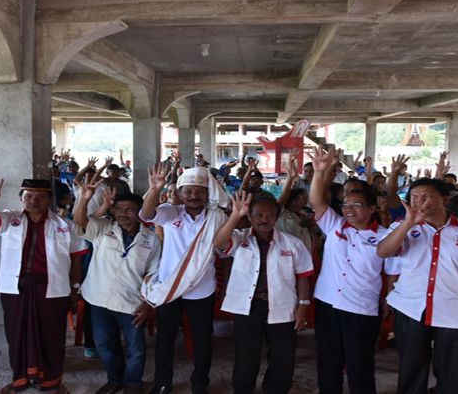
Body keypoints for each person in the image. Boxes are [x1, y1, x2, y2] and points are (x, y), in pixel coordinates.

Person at [377, 178, 458, 394]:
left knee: (453, 375)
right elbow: (383, 252)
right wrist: (408, 223)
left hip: (457, 312)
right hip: (410, 308)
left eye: (427, 196)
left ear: (445, 200)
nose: (420, 202)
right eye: (414, 197)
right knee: (411, 371)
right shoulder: (401, 227)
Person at [0, 177, 87, 393]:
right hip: (16, 288)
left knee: (51, 335)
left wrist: (75, 287)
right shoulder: (10, 219)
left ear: (49, 200)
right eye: (28, 196)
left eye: (40, 197)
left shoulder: (65, 225)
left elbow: (76, 259)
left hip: (52, 288)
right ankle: (19, 379)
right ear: (21, 198)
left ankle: (51, 381)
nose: (34, 201)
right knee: (16, 334)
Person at [139, 164, 229, 394]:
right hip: (170, 288)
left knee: (202, 341)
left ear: (208, 193)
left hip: (202, 288)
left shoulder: (217, 217)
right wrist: (154, 189)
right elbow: (146, 214)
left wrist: (226, 284)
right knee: (165, 339)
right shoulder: (170, 212)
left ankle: (200, 385)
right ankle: (162, 383)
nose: (193, 195)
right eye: (188, 191)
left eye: (199, 190)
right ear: (180, 193)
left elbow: (224, 249)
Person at [213, 191, 313, 394]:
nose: (264, 219)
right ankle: (242, 389)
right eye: (258, 215)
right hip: (249, 307)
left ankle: (276, 389)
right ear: (250, 217)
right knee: (246, 355)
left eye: (269, 215)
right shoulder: (239, 238)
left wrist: (303, 306)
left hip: (283, 306)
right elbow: (218, 243)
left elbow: (303, 275)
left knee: (283, 355)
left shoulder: (293, 243)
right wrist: (235, 216)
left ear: (276, 218)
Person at [308, 147, 388, 394]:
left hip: (361, 307)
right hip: (328, 303)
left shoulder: (385, 237)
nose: (349, 209)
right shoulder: (335, 225)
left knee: (360, 364)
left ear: (372, 207)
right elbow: (317, 201)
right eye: (346, 204)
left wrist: (387, 300)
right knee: (328, 362)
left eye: (357, 204)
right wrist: (319, 172)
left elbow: (391, 273)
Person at [73, 182, 160, 394]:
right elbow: (80, 221)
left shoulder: (151, 239)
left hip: (131, 303)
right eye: (119, 209)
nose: (123, 213)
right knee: (104, 345)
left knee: (136, 349)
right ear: (113, 211)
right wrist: (85, 198)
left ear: (139, 213)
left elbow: (155, 274)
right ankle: (114, 379)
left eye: (129, 209)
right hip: (99, 300)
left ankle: (133, 383)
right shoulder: (103, 229)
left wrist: (148, 303)